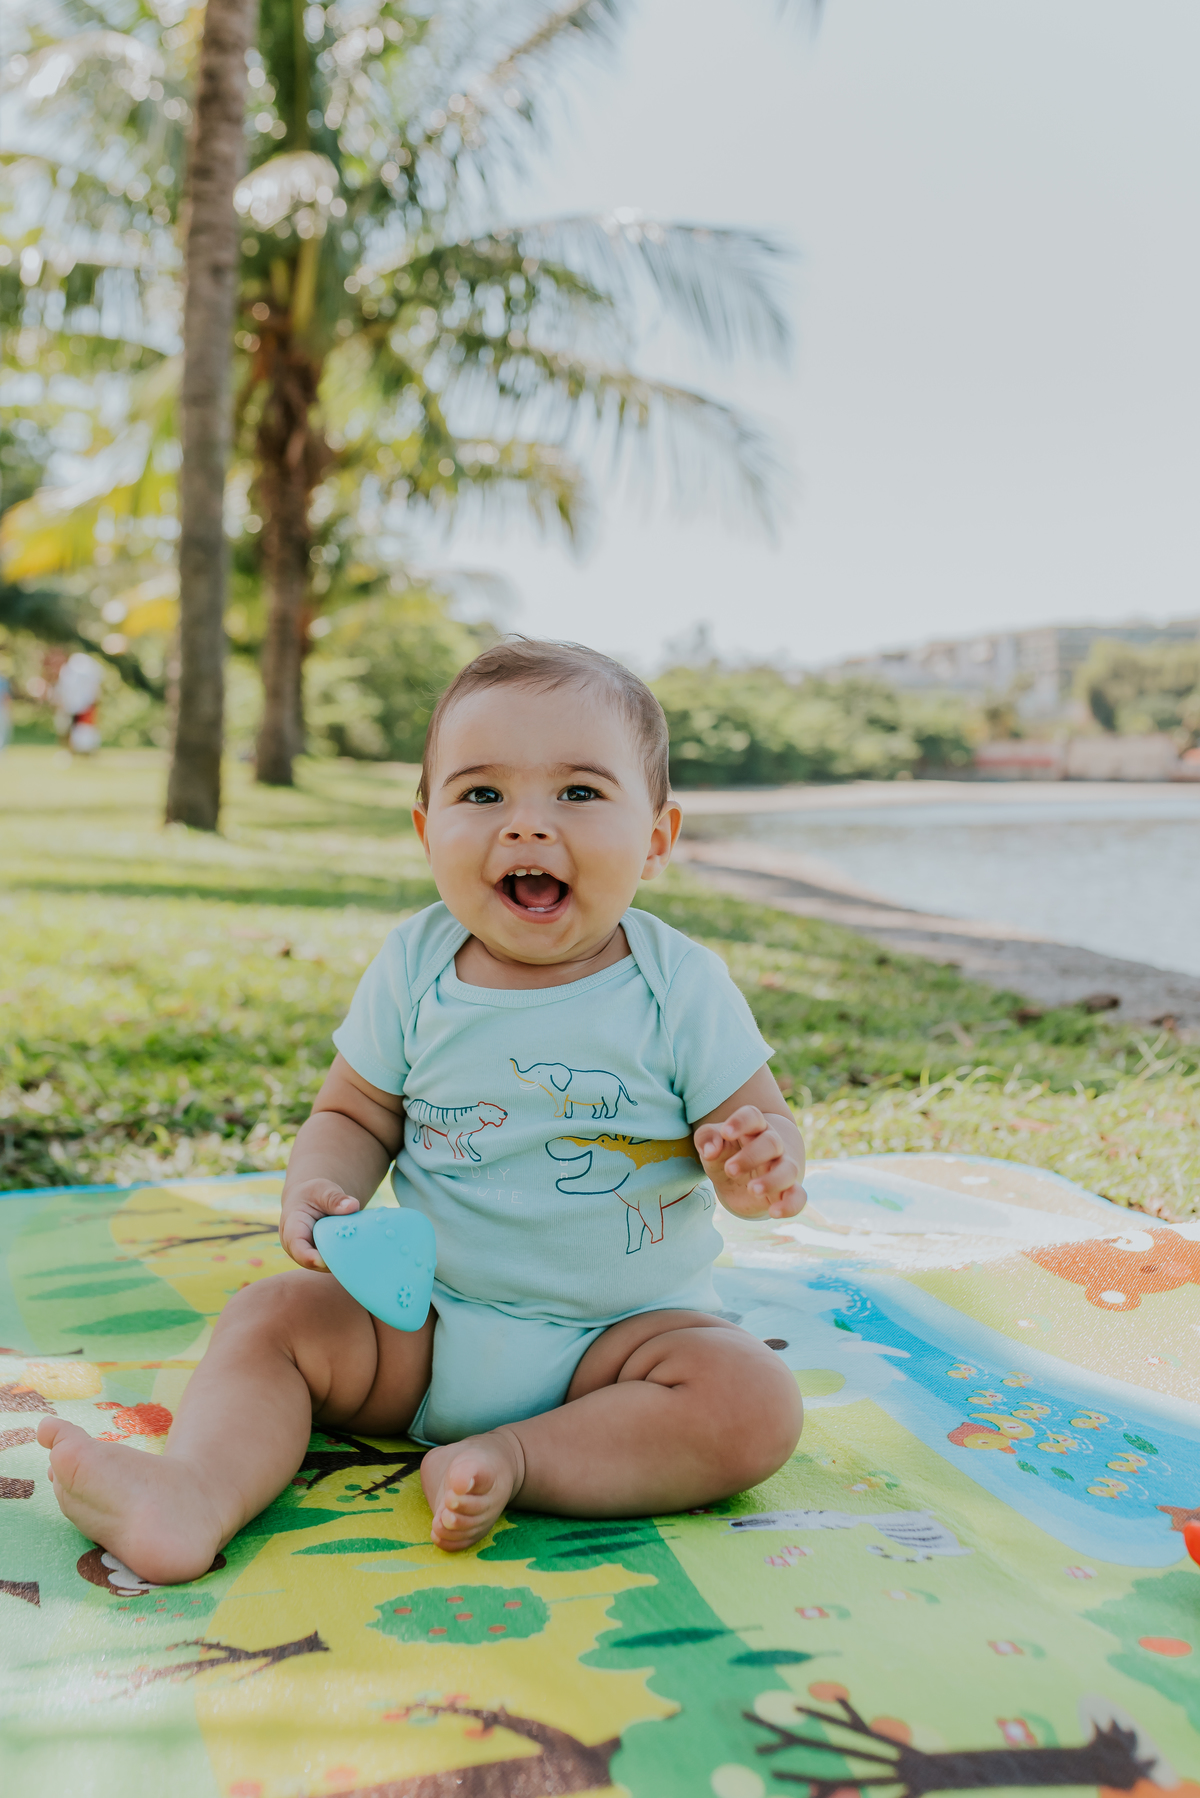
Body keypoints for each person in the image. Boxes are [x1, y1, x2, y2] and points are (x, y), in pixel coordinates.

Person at [39, 639, 807, 1582]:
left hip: (623, 1347)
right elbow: (356, 1113)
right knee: (271, 1318)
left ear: (657, 836)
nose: (526, 827)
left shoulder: (680, 983)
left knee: (751, 1399)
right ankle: (192, 1492)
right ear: (426, 828)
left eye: (578, 793)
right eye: (482, 795)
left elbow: (761, 1130)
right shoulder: (416, 965)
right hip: (426, 1324)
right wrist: (320, 1183)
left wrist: (758, 1163)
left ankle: (521, 1460)